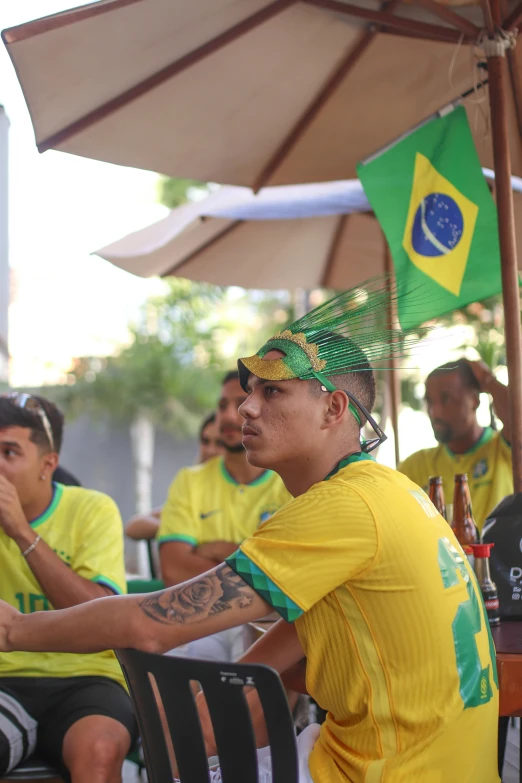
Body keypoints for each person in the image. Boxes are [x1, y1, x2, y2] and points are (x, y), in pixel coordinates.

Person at [0, 284, 500, 783]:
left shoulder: (342, 506)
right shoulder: (382, 491)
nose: (245, 407)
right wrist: (194, 728)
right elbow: (258, 675)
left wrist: (14, 630)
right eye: (250, 391)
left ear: (334, 409)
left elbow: (150, 624)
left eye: (272, 391)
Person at [0, 393, 138, 783]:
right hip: (6, 679)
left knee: (99, 751)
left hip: (87, 678)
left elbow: (100, 618)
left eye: (9, 452)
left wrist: (21, 532)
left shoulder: (92, 509)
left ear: (48, 464)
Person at [157, 370, 290, 662]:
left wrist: (221, 552)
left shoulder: (290, 480)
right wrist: (251, 558)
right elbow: (173, 569)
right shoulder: (190, 480)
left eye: (241, 402)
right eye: (221, 406)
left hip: (272, 623)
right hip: (203, 620)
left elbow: (288, 577)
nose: (230, 415)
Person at [399, 357, 512, 532]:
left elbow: (517, 417)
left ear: (474, 400)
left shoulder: (504, 448)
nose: (434, 411)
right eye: (429, 401)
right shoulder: (414, 466)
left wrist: (488, 380)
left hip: (494, 559)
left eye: (446, 399)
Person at [125, 411, 223, 542]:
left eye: (220, 443)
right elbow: (134, 527)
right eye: (205, 441)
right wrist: (180, 530)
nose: (210, 450)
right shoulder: (191, 485)